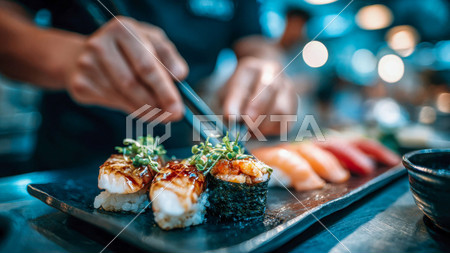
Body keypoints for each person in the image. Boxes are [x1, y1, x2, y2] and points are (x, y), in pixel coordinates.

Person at [0, 0, 297, 170]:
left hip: (181, 147)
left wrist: (269, 64)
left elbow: (255, 39)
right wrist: (71, 57)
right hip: (70, 152)